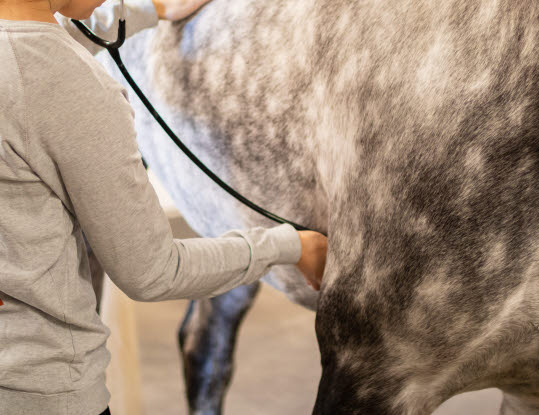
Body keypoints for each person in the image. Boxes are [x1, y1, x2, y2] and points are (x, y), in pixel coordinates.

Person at [0, 0, 328, 413]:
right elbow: (154, 273)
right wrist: (288, 246)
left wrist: (150, 8)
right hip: (37, 394)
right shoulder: (69, 86)